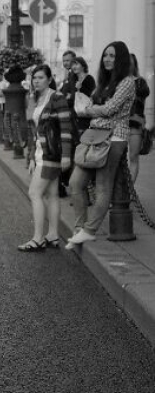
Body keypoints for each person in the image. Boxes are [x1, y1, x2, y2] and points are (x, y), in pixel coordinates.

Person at [67, 41, 136, 248]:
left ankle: (89, 231)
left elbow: (109, 108)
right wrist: (93, 108)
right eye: (105, 55)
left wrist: (89, 111)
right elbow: (94, 105)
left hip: (114, 137)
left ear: (121, 59)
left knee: (102, 187)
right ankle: (79, 229)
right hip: (95, 135)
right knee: (75, 183)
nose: (107, 59)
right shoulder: (104, 83)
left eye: (112, 56)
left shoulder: (127, 82)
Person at [17, 65, 73, 252]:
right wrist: (32, 157)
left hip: (51, 153)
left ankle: (38, 238)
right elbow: (35, 132)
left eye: (41, 77)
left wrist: (66, 156)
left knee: (34, 193)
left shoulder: (57, 98)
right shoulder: (37, 98)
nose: (36, 81)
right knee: (52, 194)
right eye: (34, 78)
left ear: (49, 79)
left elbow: (66, 128)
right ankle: (53, 234)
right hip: (41, 153)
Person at [127, 53, 151, 183]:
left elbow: (143, 97)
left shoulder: (141, 82)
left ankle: (129, 190)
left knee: (133, 157)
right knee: (117, 158)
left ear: (134, 65)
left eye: (130, 62)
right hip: (118, 124)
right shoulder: (116, 82)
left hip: (135, 123)